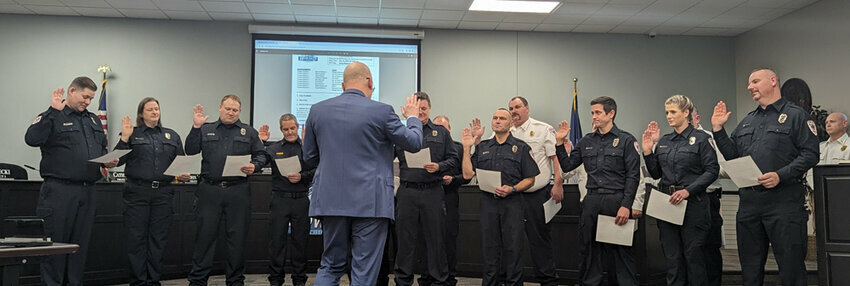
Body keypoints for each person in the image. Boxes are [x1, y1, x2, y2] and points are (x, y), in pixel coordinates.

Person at [301, 61, 423, 285]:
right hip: (371, 202)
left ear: (342, 84)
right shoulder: (383, 111)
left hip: (330, 200)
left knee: (330, 265)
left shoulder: (317, 110)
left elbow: (309, 157)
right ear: (370, 81)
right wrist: (413, 117)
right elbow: (414, 143)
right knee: (364, 270)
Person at [711, 68, 819, 286]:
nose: (750, 86)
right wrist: (718, 129)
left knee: (791, 270)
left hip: (784, 204)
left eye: (755, 81)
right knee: (750, 270)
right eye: (749, 83)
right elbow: (734, 156)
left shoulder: (796, 116)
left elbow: (811, 154)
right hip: (750, 206)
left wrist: (780, 175)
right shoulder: (747, 121)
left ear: (772, 81)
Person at [25, 76, 119, 285]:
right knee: (55, 247)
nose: (87, 102)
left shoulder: (93, 120)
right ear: (72, 91)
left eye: (91, 99)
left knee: (79, 247)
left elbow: (100, 149)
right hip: (59, 191)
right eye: (85, 97)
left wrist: (106, 162)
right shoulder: (53, 115)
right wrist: (51, 112)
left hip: (87, 191)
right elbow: (31, 139)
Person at [554, 96, 641, 286]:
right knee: (589, 250)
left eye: (598, 113)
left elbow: (633, 176)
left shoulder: (626, 140)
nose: (594, 117)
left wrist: (626, 205)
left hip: (615, 200)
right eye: (592, 113)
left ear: (611, 114)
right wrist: (560, 144)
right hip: (591, 200)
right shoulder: (586, 141)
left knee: (620, 252)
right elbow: (568, 165)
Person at [185, 94, 269, 286]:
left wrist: (255, 166)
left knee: (237, 239)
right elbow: (190, 150)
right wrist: (195, 127)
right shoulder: (206, 129)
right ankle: (198, 281)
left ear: (239, 111)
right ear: (220, 108)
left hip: (238, 191)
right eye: (228, 108)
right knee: (204, 237)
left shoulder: (248, 132)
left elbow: (262, 155)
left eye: (235, 110)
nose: (231, 112)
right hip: (209, 190)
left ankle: (235, 280)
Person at [642, 95, 719, 286]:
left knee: (694, 257)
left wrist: (688, 191)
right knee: (672, 257)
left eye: (673, 112)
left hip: (693, 204)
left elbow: (712, 171)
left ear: (686, 113)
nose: (668, 116)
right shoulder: (665, 141)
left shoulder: (702, 139)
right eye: (667, 112)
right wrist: (647, 152)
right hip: (667, 203)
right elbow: (656, 173)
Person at [115, 97, 190, 286]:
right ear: (141, 113)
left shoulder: (171, 136)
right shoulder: (132, 133)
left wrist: (182, 174)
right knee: (136, 239)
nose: (155, 112)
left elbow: (180, 162)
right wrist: (124, 138)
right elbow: (117, 161)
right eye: (150, 109)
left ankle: (153, 280)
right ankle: (138, 281)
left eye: (157, 108)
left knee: (159, 240)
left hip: (163, 193)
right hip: (137, 192)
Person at [460, 109, 540, 286]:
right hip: (488, 204)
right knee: (490, 251)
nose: (497, 121)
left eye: (502, 118)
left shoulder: (521, 147)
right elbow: (467, 174)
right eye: (495, 118)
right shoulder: (483, 147)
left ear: (511, 123)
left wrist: (512, 188)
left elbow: (530, 179)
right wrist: (467, 148)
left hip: (512, 204)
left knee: (513, 250)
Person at [393, 92, 457, 286]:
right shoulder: (400, 133)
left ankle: (438, 280)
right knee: (405, 241)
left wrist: (439, 167)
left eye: (424, 108)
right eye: (417, 108)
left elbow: (453, 158)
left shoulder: (441, 132)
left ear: (429, 109)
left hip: (432, 191)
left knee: (436, 240)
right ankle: (403, 281)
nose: (420, 112)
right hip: (407, 191)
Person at [506, 96, 562, 285]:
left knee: (540, 241)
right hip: (512, 197)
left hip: (536, 196)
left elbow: (555, 158)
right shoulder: (506, 131)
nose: (514, 111)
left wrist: (558, 183)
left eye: (517, 107)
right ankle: (513, 281)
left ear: (527, 108)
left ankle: (548, 281)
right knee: (511, 243)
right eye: (511, 108)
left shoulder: (543, 129)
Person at [260, 114, 315, 286]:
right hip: (280, 200)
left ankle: (299, 280)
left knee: (300, 242)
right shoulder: (273, 148)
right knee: (277, 242)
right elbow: (260, 161)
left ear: (297, 127)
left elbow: (316, 170)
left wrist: (302, 177)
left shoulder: (308, 147)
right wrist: (261, 143)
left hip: (300, 200)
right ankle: (276, 280)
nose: (290, 132)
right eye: (286, 129)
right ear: (281, 129)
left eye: (292, 128)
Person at [432, 114, 469, 286]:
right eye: (437, 127)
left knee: (449, 239)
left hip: (450, 197)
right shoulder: (428, 145)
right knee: (430, 239)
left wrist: (453, 179)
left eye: (444, 128)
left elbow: (467, 176)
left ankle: (449, 277)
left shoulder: (459, 148)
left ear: (449, 129)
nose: (440, 132)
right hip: (430, 197)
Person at [691, 106, 726, 286]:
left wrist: (701, 172)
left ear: (697, 118)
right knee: (690, 249)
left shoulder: (708, 137)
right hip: (685, 201)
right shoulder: (673, 140)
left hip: (707, 198)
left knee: (709, 248)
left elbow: (725, 167)